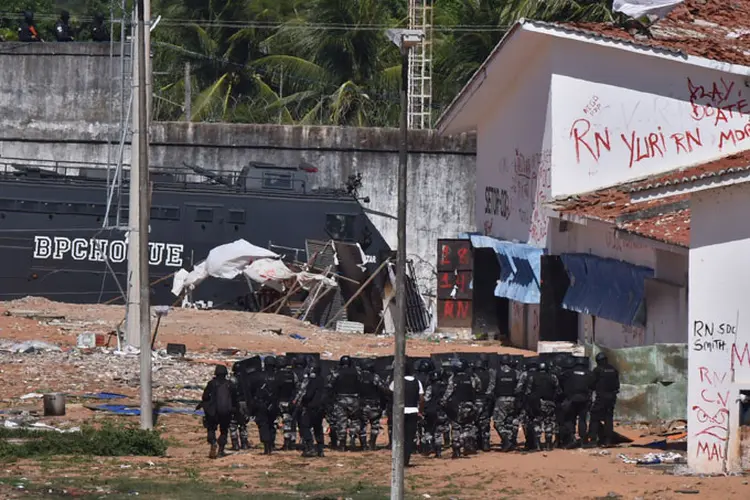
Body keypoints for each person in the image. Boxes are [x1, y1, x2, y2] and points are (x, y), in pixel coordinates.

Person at [441, 358, 481, 458]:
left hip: (456, 406)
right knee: (468, 426)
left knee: (455, 427)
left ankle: (456, 448)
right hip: (469, 405)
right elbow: (478, 388)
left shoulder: (453, 378)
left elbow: (448, 392)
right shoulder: (472, 378)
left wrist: (443, 402)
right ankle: (467, 442)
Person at [389, 361, 424, 466]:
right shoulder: (417, 382)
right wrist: (420, 411)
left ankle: (397, 460)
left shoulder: (397, 381)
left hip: (400, 412)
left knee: (398, 437)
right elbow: (422, 399)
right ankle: (406, 461)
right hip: (413, 411)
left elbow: (390, 393)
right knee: (409, 438)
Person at [198, 364, 237, 459]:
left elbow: (205, 397)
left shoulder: (212, 383)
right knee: (224, 431)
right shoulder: (230, 384)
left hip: (213, 412)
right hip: (226, 412)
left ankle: (213, 442)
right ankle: (220, 450)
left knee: (211, 429)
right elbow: (235, 399)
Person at [325, 356, 362, 451]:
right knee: (354, 420)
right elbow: (361, 382)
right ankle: (353, 439)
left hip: (341, 399)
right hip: (354, 399)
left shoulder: (337, 372)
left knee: (341, 422)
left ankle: (342, 445)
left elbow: (329, 385)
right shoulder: (357, 372)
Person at [523, 361, 560, 451]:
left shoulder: (533, 377)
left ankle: (538, 445)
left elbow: (528, 392)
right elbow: (558, 390)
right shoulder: (553, 377)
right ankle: (548, 445)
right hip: (550, 403)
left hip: (537, 403)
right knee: (549, 423)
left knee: (537, 423)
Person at [294, 357, 327, 457]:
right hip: (320, 408)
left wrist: (302, 401)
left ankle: (310, 447)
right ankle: (320, 449)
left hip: (311, 407)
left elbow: (309, 395)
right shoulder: (322, 379)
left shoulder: (312, 381)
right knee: (318, 428)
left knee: (305, 427)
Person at [587, 352, 620, 447]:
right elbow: (617, 385)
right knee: (608, 418)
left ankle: (593, 439)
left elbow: (592, 384)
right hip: (612, 397)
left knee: (594, 417)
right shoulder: (614, 370)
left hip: (601, 397)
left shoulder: (598, 370)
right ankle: (608, 440)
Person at [560, 357, 592, 448]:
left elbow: (561, 382)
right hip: (584, 399)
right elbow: (593, 385)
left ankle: (571, 438)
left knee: (570, 419)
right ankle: (582, 440)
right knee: (582, 420)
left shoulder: (568, 373)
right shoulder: (589, 373)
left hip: (571, 399)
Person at [492, 354, 521, 452]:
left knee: (498, 423)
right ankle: (511, 442)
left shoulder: (496, 373)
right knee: (511, 421)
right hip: (513, 400)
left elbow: (491, 388)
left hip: (500, 400)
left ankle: (506, 440)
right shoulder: (516, 373)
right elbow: (519, 388)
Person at [359, 358, 386, 450]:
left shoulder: (359, 377)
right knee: (375, 425)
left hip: (361, 405)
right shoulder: (375, 377)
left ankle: (363, 446)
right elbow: (383, 389)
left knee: (362, 426)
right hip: (374, 405)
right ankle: (372, 445)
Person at [423, 369, 449, 457]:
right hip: (441, 412)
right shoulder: (445, 387)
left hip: (430, 411)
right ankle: (438, 451)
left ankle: (430, 446)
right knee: (438, 431)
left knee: (428, 429)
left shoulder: (430, 387)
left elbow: (426, 399)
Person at [472, 355, 495, 451]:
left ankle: (476, 443)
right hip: (486, 401)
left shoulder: (473, 375)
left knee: (474, 423)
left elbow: (472, 389)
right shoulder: (489, 374)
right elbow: (492, 386)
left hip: (475, 401)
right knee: (485, 423)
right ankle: (485, 443)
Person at [276, 355, 299, 451]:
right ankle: (292, 442)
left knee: (285, 423)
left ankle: (286, 443)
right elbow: (297, 387)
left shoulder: (276, 374)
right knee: (291, 422)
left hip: (280, 401)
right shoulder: (292, 374)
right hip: (290, 401)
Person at [228, 362, 251, 451]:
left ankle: (235, 444)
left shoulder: (232, 380)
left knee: (233, 424)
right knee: (243, 424)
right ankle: (244, 443)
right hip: (245, 404)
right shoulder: (247, 379)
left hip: (235, 403)